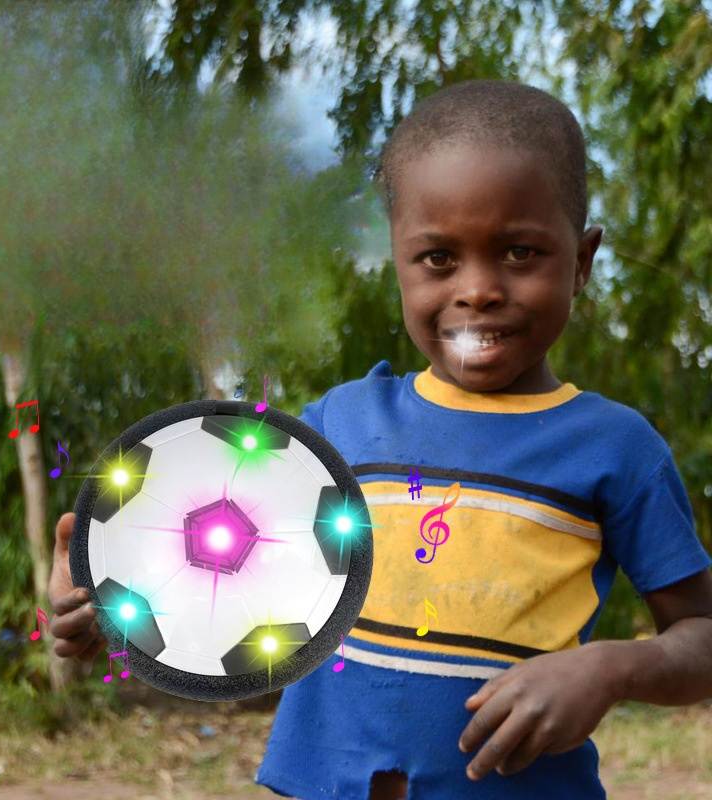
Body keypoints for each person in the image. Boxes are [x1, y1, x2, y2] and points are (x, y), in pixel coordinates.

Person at [48, 80, 712, 799]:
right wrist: (105, 600)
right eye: (438, 259)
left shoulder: (616, 449)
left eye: (520, 253)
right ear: (395, 260)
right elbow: (213, 584)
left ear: (581, 261)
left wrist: (609, 669)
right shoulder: (336, 427)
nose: (478, 289)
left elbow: (701, 640)